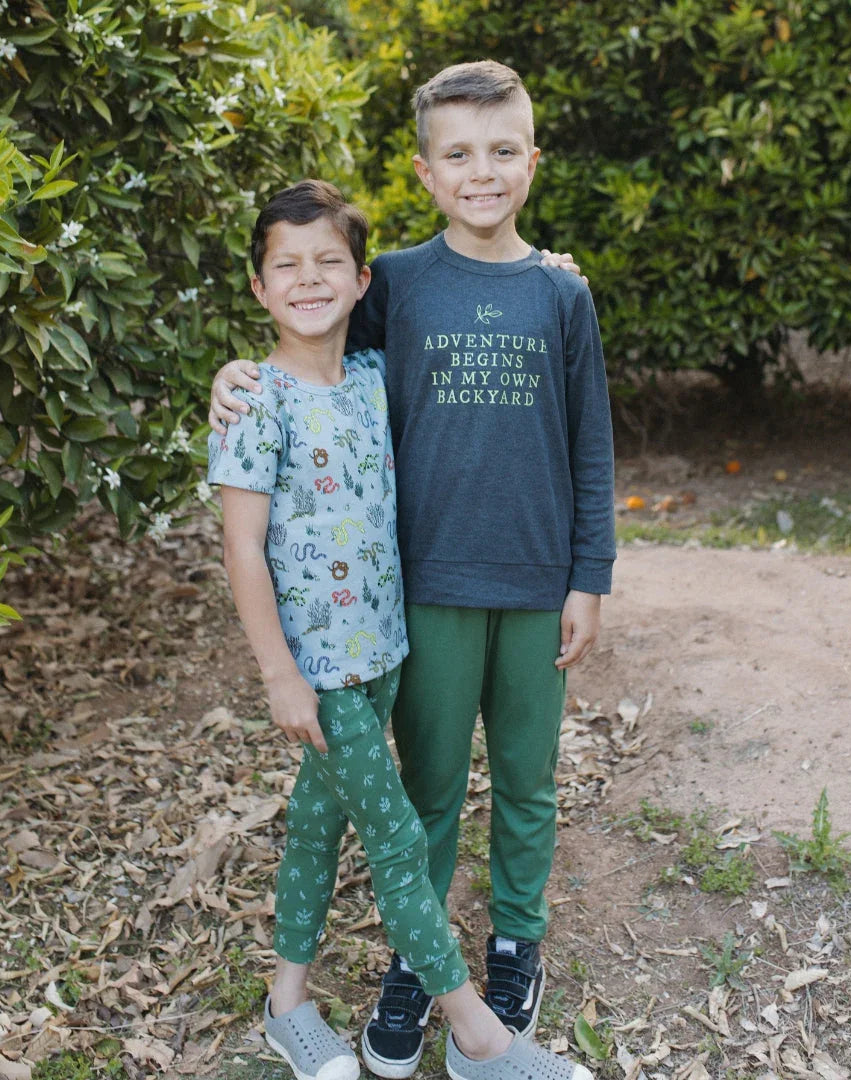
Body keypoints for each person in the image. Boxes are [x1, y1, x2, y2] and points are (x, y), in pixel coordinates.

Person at [208, 178, 593, 1080]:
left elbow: (463, 340)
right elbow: (242, 549)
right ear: (258, 288)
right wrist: (278, 675)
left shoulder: (376, 377)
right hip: (320, 673)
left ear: (361, 280)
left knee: (314, 824)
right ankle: (476, 1034)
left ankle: (286, 1000)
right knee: (395, 837)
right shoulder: (253, 400)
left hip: (388, 652)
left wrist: (550, 276)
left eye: (327, 263)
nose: (308, 281)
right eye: (284, 267)